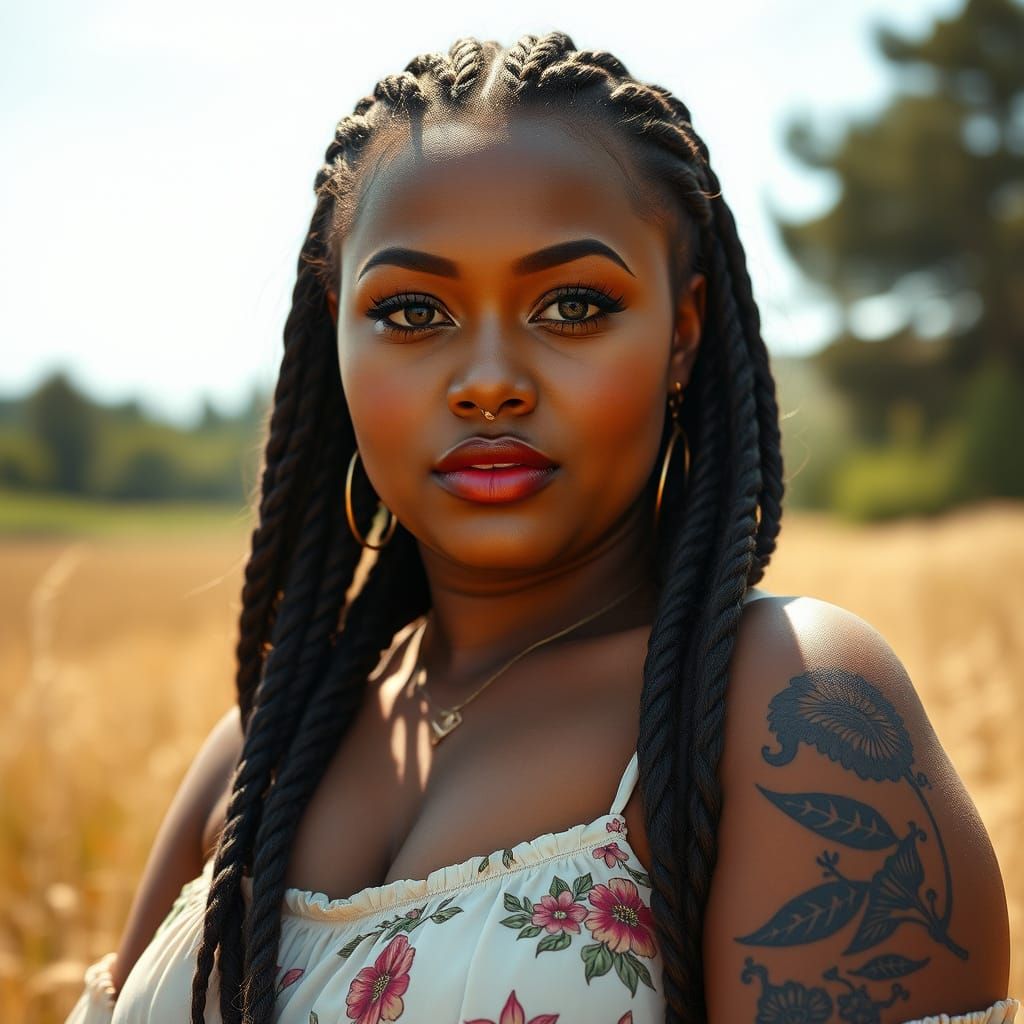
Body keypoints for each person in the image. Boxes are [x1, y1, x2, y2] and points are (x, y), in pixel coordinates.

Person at [64, 31, 1017, 1024]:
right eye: (410, 311)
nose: (486, 379)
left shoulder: (784, 708)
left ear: (682, 334)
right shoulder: (258, 749)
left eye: (571, 304)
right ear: (333, 332)